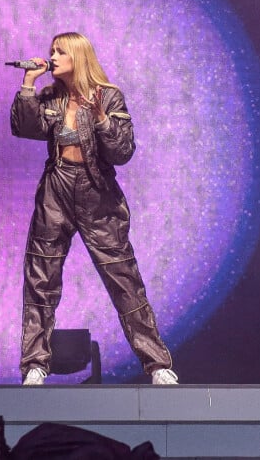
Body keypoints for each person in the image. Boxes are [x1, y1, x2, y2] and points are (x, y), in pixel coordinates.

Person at [10, 32, 178, 386]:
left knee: (124, 279)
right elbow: (25, 128)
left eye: (60, 52)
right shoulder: (51, 96)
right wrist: (28, 83)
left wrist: (101, 117)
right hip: (56, 189)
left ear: (77, 56)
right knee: (41, 278)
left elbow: (122, 151)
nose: (52, 57)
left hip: (96, 193)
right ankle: (35, 365)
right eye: (51, 51)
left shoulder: (108, 95)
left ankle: (157, 365)